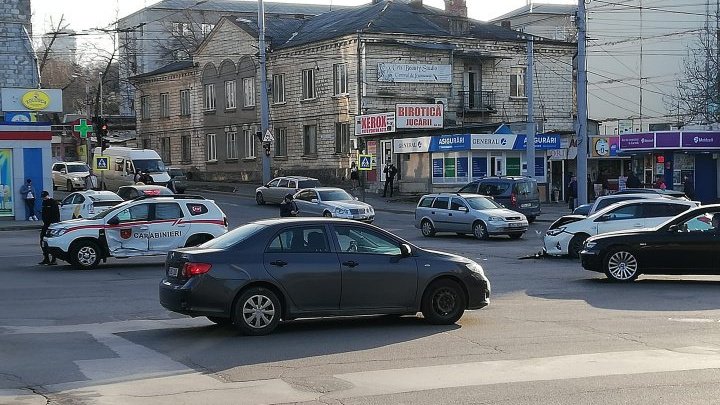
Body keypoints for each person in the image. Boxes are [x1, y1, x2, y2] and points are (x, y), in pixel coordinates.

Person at [39, 191, 60, 265]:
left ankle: (54, 259)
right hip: (46, 224)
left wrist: (54, 224)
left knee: (51, 241)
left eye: (44, 197)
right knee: (42, 240)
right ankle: (46, 258)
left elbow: (56, 214)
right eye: (43, 197)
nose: (44, 198)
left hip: (52, 225)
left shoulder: (53, 202)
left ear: (48, 195)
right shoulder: (44, 202)